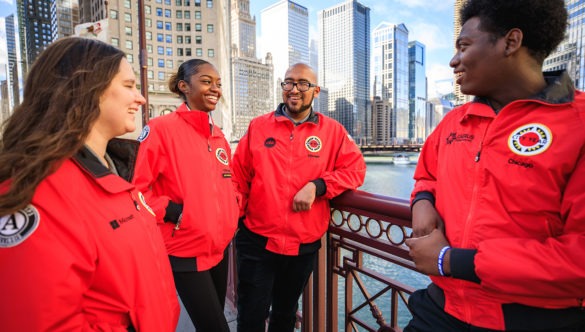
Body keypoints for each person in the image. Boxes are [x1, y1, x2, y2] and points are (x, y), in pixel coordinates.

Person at [404, 0, 585, 331]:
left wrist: (451, 261)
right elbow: (426, 173)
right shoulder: (455, 121)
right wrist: (422, 201)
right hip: (442, 308)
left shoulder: (579, 124)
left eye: (464, 46)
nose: (453, 60)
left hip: (533, 320)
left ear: (510, 42)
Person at [0, 37, 179, 331]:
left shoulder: (111, 175)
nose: (141, 98)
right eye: (129, 85)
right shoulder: (36, 195)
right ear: (88, 89)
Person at [232, 63, 367, 332]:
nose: (295, 89)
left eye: (303, 84)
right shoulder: (259, 127)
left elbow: (355, 170)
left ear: (315, 91)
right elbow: (238, 178)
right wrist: (233, 220)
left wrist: (317, 186)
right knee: (250, 315)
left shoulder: (333, 132)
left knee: (285, 314)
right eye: (289, 83)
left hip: (302, 244)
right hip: (257, 240)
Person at [133, 59, 238, 332]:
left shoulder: (219, 137)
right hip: (185, 249)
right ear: (184, 86)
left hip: (219, 248)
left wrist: (233, 209)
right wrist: (174, 213)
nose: (215, 88)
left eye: (218, 83)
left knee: (213, 324)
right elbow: (136, 190)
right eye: (206, 81)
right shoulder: (160, 129)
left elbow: (228, 184)